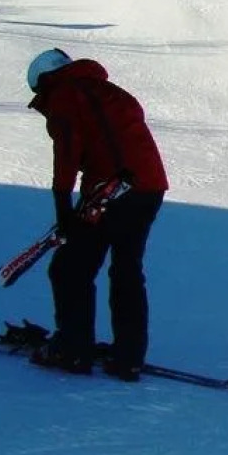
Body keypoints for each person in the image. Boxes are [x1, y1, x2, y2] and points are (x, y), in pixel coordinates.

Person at [24, 49, 169, 380]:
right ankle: (128, 357)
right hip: (148, 188)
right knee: (127, 270)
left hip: (109, 192)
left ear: (44, 80)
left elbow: (67, 152)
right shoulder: (111, 91)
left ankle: (74, 350)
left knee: (69, 268)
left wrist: (63, 207)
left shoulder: (63, 95)